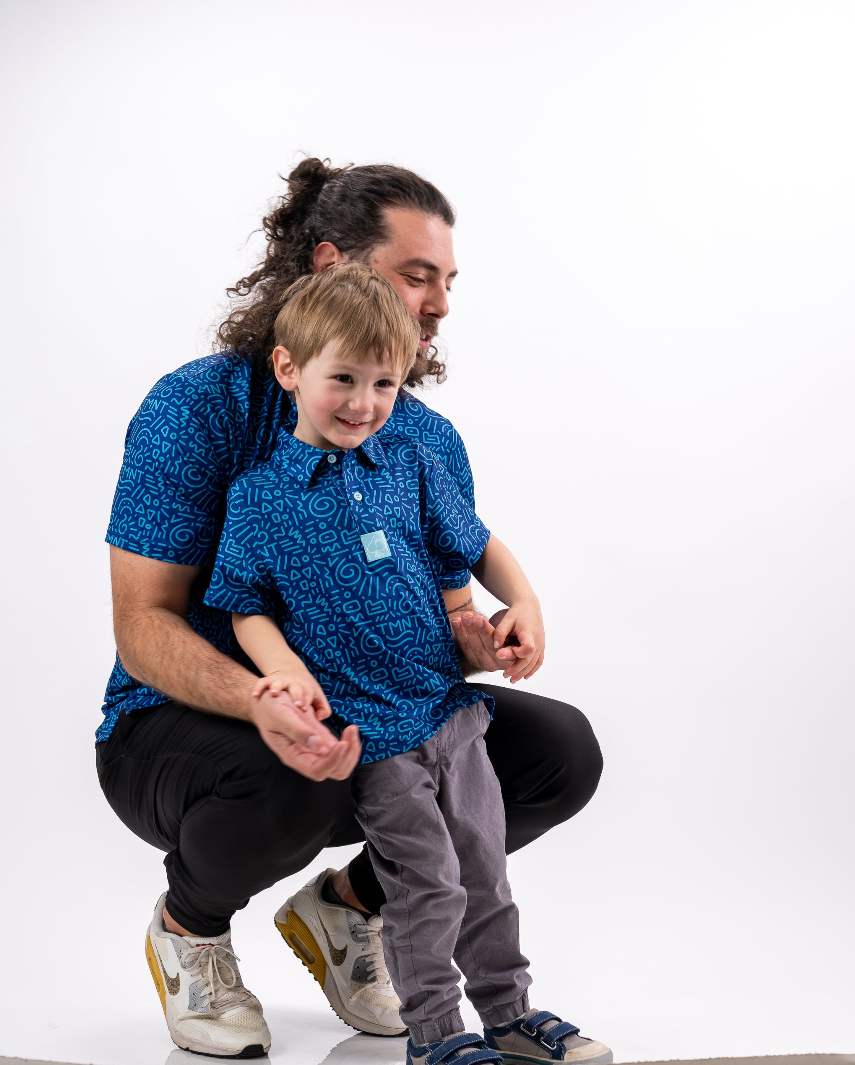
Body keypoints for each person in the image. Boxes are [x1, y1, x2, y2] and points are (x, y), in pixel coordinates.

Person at [97, 157, 606, 1058]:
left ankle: (349, 911)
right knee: (288, 770)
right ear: (333, 267)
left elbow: (449, 586)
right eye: (417, 276)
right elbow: (143, 628)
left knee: (556, 750)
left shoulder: (418, 434)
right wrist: (265, 697)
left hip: (383, 713)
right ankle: (190, 929)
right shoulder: (198, 410)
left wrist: (486, 631)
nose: (440, 302)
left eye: (448, 281)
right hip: (186, 729)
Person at [202, 262, 613, 1065]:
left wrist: (519, 602)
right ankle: (436, 1035)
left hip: (450, 710)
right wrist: (283, 671)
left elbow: (478, 544)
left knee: (485, 874)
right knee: (426, 884)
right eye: (343, 378)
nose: (363, 403)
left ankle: (508, 1013)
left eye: (384, 383)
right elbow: (242, 604)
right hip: (374, 731)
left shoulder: (410, 464)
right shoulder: (257, 498)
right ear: (290, 368)